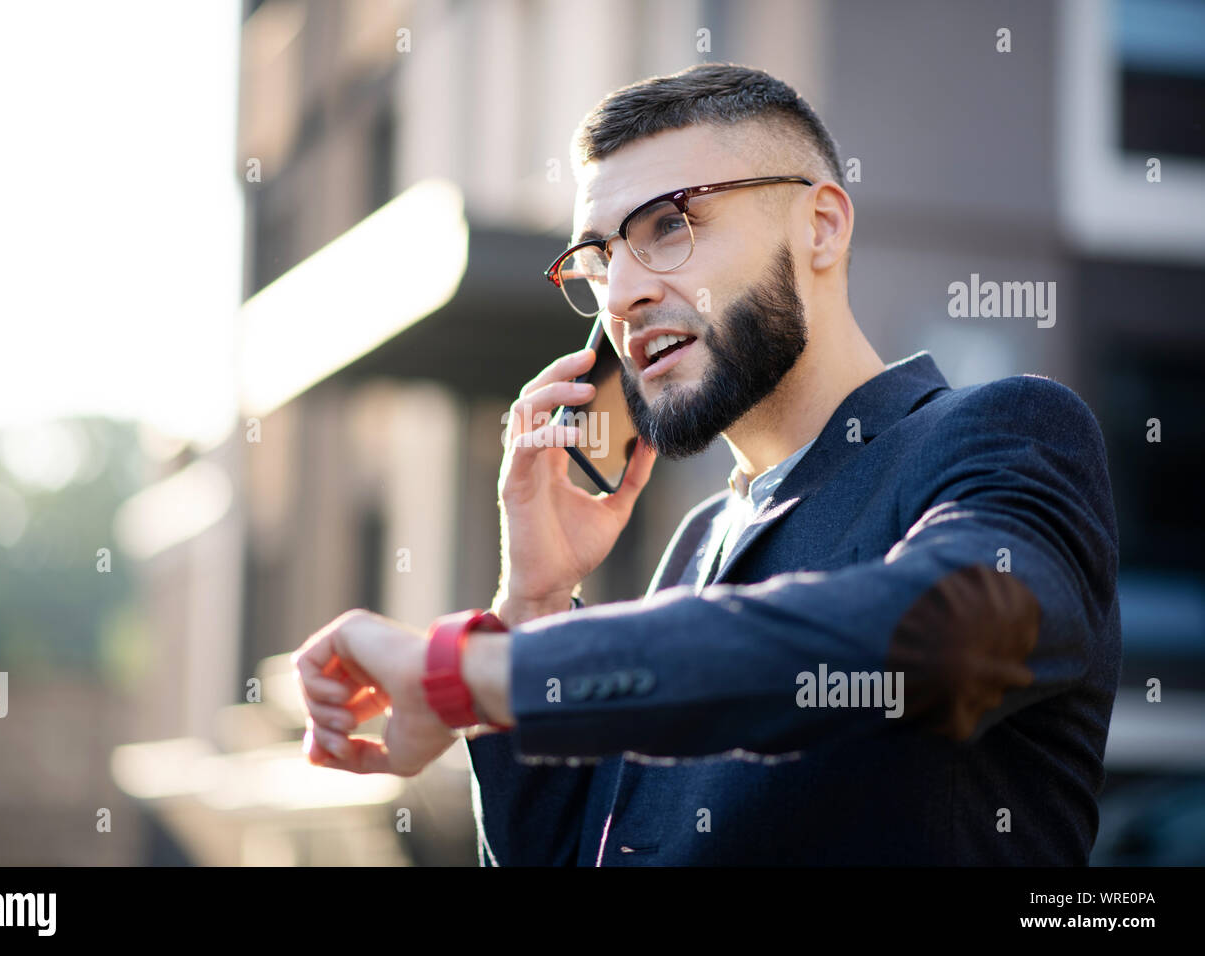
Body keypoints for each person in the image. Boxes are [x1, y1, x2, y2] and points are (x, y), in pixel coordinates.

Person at [291, 63, 1120, 865]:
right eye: (598, 258)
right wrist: (534, 604)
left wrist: (467, 673)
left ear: (821, 227)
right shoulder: (695, 547)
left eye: (668, 226)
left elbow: (937, 647)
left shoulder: (1004, 433)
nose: (619, 296)